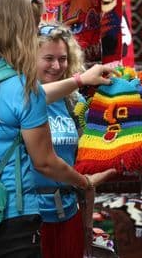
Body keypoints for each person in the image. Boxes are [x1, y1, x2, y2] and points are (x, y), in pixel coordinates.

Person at [0, 0, 117, 258]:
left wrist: (79, 80)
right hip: (7, 219)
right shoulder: (24, 89)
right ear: (23, 28)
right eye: (34, 24)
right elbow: (45, 162)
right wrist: (83, 183)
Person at [34, 22, 91, 258]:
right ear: (29, 57)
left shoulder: (74, 102)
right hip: (30, 218)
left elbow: (85, 166)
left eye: (63, 58)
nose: (57, 66)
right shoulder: (18, 98)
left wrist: (87, 224)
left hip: (69, 214)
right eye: (48, 58)